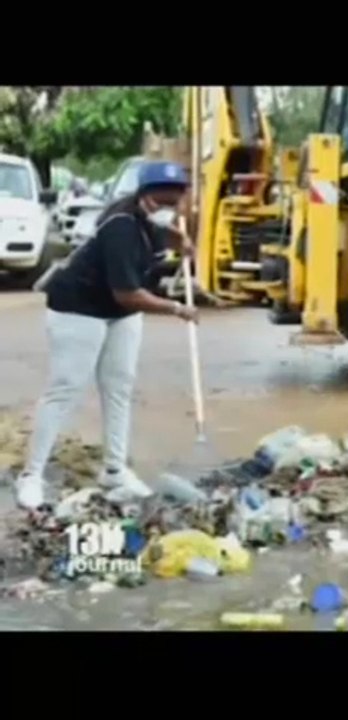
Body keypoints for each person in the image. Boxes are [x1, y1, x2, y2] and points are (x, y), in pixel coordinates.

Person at [14, 160, 198, 510]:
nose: (168, 208)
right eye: (162, 201)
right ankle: (32, 476)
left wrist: (182, 239)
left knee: (119, 387)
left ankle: (114, 469)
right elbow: (127, 294)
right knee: (65, 388)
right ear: (144, 197)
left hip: (122, 314)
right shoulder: (121, 227)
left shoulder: (153, 220)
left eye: (175, 201)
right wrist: (176, 309)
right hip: (78, 308)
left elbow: (164, 234)